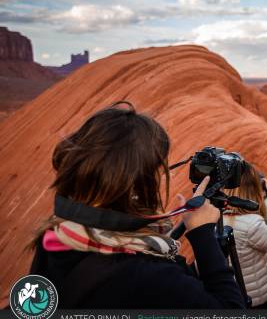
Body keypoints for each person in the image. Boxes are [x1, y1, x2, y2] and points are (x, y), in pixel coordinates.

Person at [28, 102, 244, 309]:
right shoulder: (146, 275)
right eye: (156, 171)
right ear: (133, 188)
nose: (159, 178)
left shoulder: (56, 236)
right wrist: (202, 234)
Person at [223, 163, 267, 308]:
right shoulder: (252, 225)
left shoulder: (215, 216)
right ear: (254, 190)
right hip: (257, 297)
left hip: (230, 294)